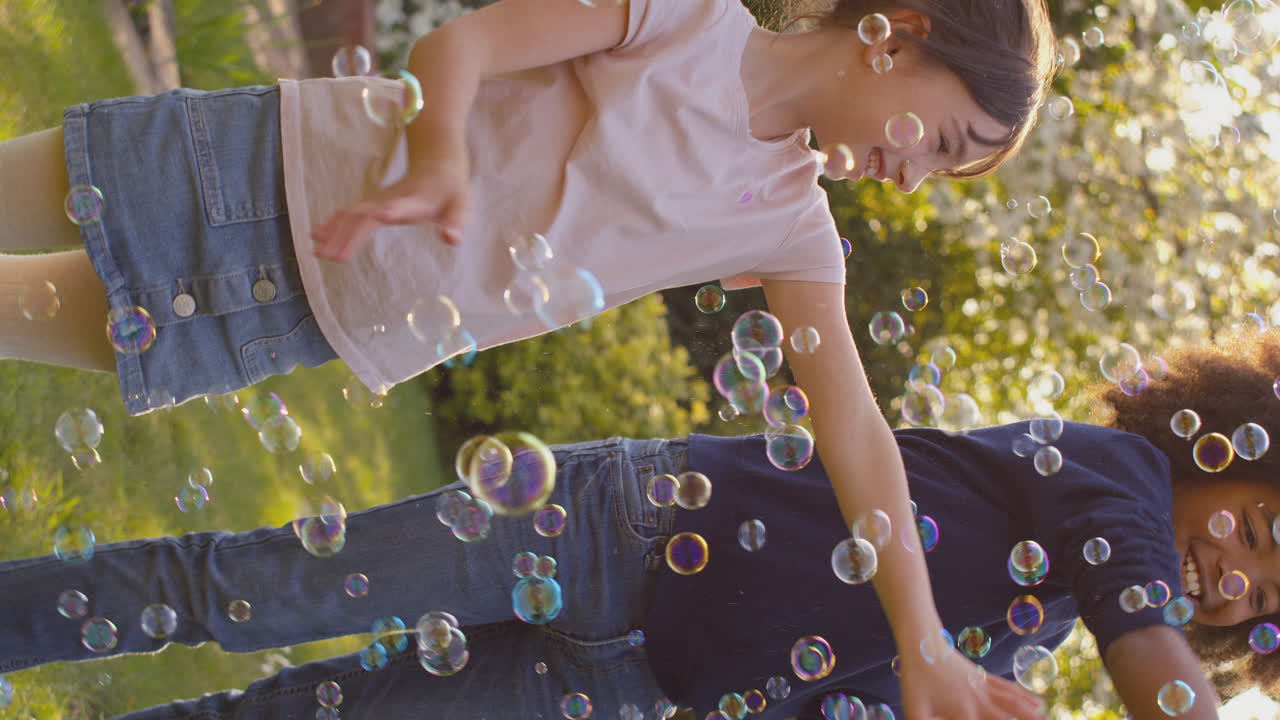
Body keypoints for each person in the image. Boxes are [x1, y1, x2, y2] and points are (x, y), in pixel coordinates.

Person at [0, 0, 1056, 717]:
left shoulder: (786, 227)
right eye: (942, 141)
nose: (914, 177)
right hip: (255, 168)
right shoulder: (681, 18)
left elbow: (857, 434)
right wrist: (439, 160)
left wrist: (921, 642)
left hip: (305, 320)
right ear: (898, 36)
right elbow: (456, 47)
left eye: (944, 173)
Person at [4, 329, 1276, 720]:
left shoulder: (1023, 648)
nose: (1226, 574)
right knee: (249, 590)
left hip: (624, 689)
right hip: (603, 531)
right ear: (1223, 440)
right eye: (1258, 532)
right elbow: (1146, 636)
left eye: (1257, 599)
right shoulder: (1105, 477)